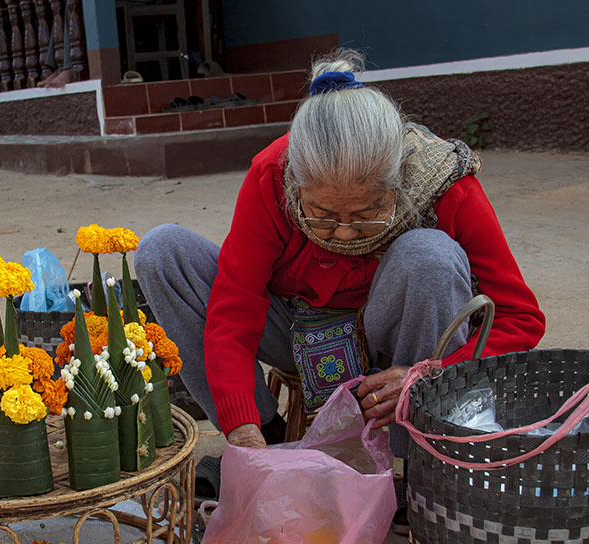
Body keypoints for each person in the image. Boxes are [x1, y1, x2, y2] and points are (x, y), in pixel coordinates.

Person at [135, 49, 545, 461]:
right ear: (296, 184)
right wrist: (242, 424)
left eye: (367, 214)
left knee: (430, 256)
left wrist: (428, 377)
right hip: (296, 331)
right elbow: (235, 307)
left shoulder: (444, 183)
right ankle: (268, 436)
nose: (345, 232)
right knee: (161, 250)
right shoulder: (272, 175)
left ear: (398, 182)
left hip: (398, 344)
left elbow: (520, 318)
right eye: (324, 216)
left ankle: (417, 463)